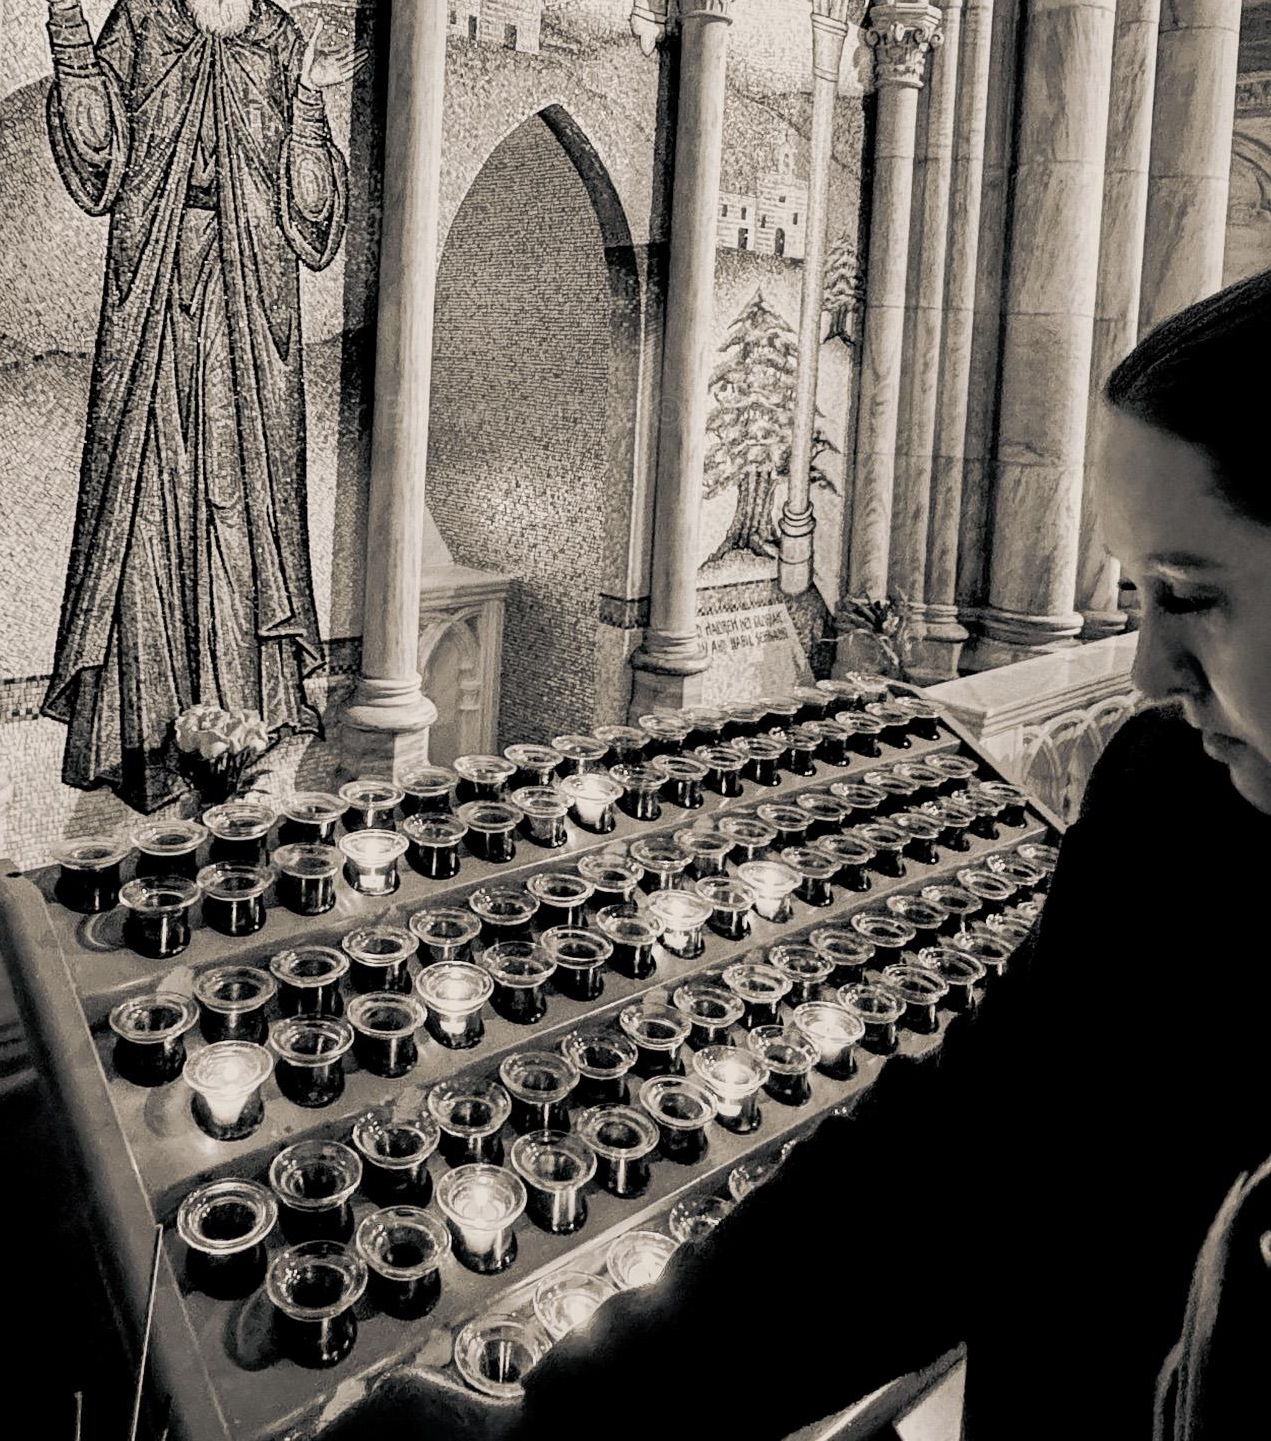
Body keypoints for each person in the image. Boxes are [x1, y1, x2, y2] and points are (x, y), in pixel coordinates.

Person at [334, 270, 1271, 1439]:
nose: (1146, 671)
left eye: (1190, 594)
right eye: (1133, 593)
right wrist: (560, 1426)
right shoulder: (1174, 807)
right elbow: (958, 1166)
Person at [4, 0, 356, 811]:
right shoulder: (147, 15)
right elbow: (99, 153)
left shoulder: (282, 41)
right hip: (158, 298)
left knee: (241, 511)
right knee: (150, 503)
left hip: (249, 316)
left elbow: (315, 220)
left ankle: (243, 734)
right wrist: (69, 20)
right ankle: (148, 738)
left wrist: (314, 105)